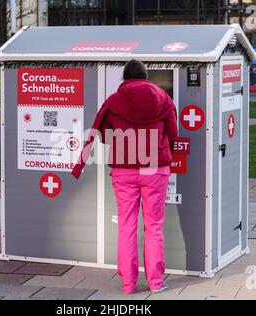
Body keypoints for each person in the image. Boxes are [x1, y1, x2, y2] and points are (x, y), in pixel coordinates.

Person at [72, 60, 178, 294]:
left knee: (127, 226)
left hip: (123, 169)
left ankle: (129, 284)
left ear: (124, 79)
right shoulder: (162, 97)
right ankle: (156, 282)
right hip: (154, 168)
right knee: (154, 226)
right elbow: (173, 132)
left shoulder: (114, 100)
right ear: (146, 77)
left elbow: (106, 134)